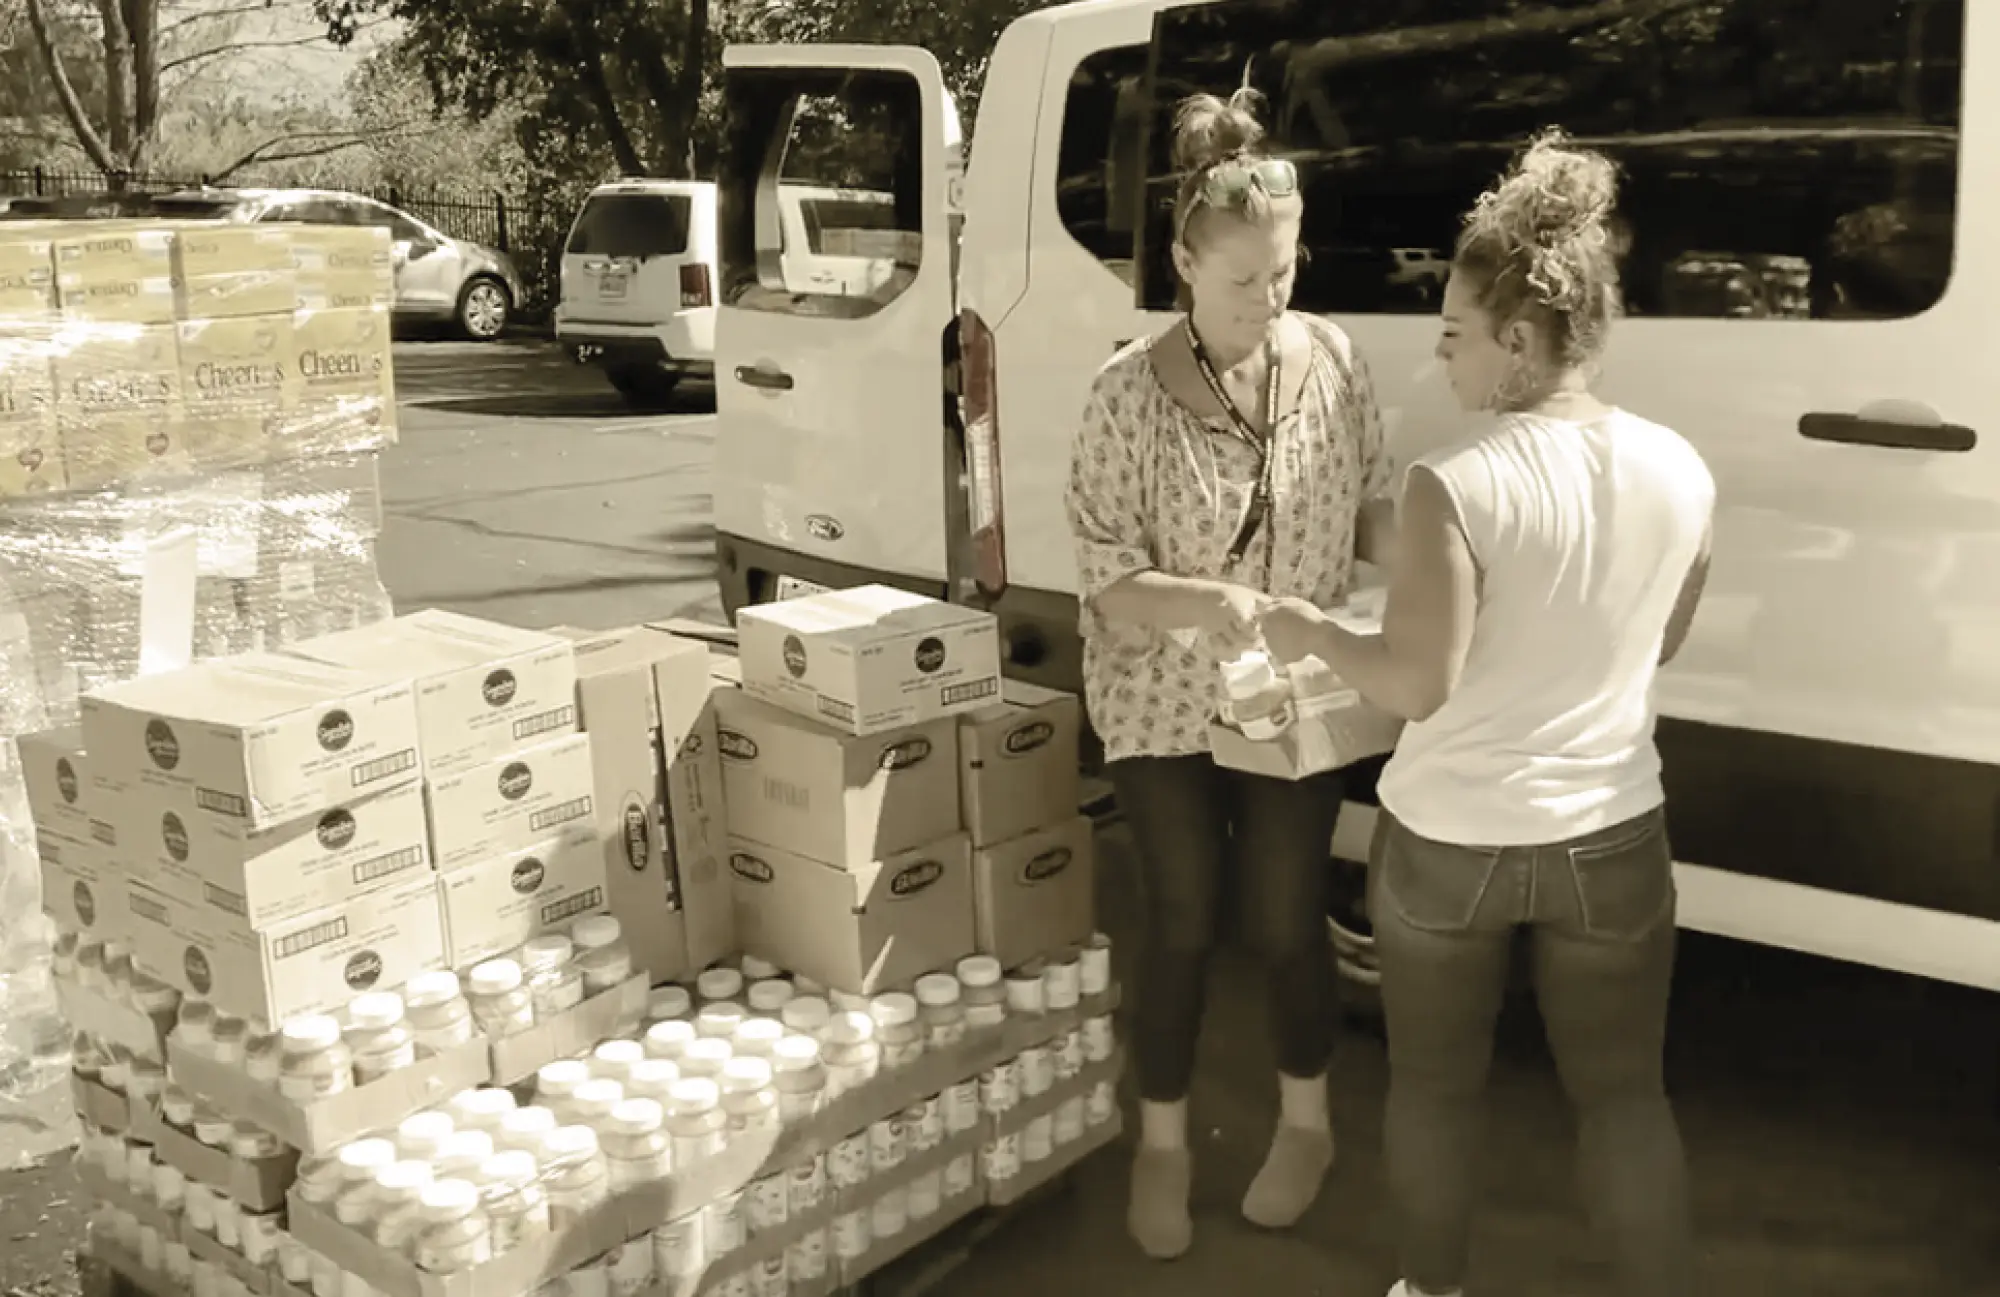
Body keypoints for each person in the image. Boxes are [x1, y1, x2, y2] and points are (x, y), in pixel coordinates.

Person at [1260, 129, 1713, 1297]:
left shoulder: (1454, 482)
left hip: (1448, 847)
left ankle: (1429, 1287)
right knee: (1622, 1099)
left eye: (1454, 336)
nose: (1445, 361)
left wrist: (1308, 632)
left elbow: (1415, 684)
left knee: (1432, 1091)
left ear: (1518, 340)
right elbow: (1655, 640)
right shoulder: (1680, 467)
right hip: (1611, 833)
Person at [1064, 87, 1393, 1261]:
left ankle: (1306, 1124)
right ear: (1183, 265)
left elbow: (1371, 514)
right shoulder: (1121, 396)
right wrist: (1218, 605)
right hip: (1159, 702)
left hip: (1291, 708)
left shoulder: (1335, 366)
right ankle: (1158, 1140)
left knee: (1284, 919)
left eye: (1286, 272)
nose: (1271, 299)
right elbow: (1107, 581)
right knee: (1182, 919)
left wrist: (1462, 561)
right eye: (1246, 278)